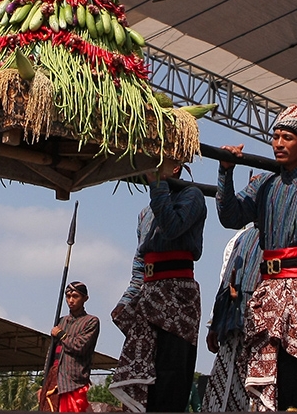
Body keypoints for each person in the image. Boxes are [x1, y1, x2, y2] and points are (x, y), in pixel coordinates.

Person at [217, 103, 297, 412]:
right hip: (268, 287)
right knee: (262, 371)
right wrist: (225, 172)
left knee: (292, 366)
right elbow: (231, 216)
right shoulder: (263, 183)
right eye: (275, 137)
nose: (278, 143)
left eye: (287, 137)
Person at [110, 161, 207, 413]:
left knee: (170, 376)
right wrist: (126, 300)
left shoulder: (192, 195)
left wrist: (156, 186)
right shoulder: (144, 214)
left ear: (175, 168)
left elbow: (172, 226)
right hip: (148, 296)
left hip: (178, 297)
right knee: (143, 374)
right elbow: (139, 266)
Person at [204, 224, 261, 413]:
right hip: (232, 326)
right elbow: (225, 282)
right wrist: (215, 322)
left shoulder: (281, 233)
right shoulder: (240, 239)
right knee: (224, 391)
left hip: (263, 328)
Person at [40, 281, 100, 412]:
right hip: (54, 376)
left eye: (75, 296)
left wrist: (61, 334)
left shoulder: (91, 321)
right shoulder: (61, 321)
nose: (71, 300)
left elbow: (80, 346)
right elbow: (51, 352)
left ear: (85, 298)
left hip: (72, 381)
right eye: (68, 296)